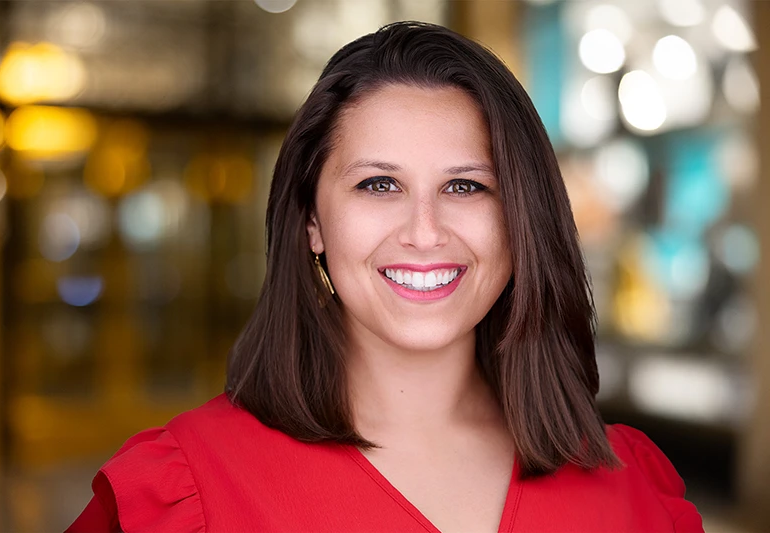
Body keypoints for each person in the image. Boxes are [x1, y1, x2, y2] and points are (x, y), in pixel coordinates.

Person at [67, 22, 704, 533]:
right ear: (312, 222)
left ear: (521, 220)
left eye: (465, 186)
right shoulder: (186, 491)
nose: (424, 231)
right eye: (379, 184)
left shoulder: (630, 489)